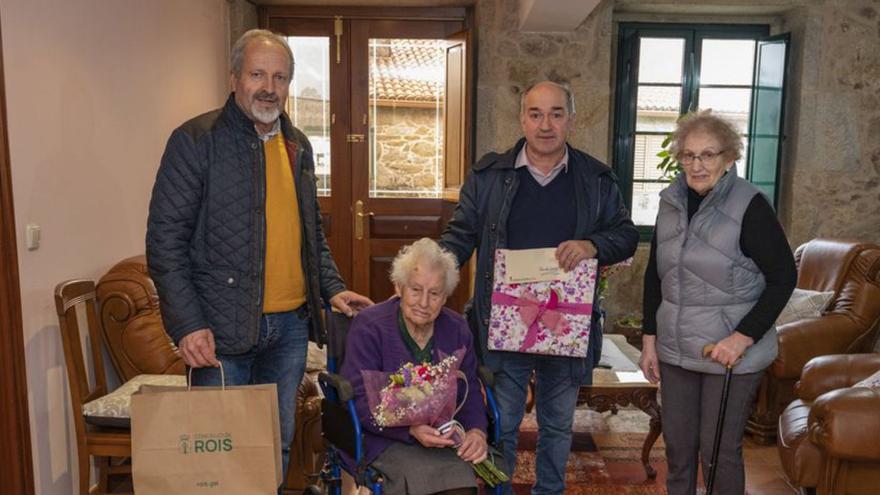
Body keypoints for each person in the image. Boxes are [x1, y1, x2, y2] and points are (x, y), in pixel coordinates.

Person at [145, 29, 372, 487]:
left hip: (288, 330)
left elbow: (311, 237)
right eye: (257, 74)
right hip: (219, 332)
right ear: (234, 78)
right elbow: (164, 241)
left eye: (280, 76)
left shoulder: (298, 147)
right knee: (216, 455)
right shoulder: (195, 141)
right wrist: (187, 324)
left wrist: (332, 287)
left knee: (273, 446)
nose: (269, 86)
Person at [440, 80, 639, 494]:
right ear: (522, 119)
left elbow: (625, 235)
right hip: (502, 326)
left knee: (556, 427)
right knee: (503, 424)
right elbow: (459, 237)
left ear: (570, 118)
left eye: (555, 113)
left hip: (566, 327)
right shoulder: (488, 175)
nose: (545, 124)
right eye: (536, 114)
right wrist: (430, 275)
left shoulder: (598, 179)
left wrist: (592, 245)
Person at [639, 110, 797, 495]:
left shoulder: (750, 206)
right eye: (689, 155)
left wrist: (742, 338)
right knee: (677, 449)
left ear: (729, 157)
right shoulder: (671, 201)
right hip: (677, 349)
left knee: (717, 452)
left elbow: (783, 277)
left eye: (708, 155)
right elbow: (655, 274)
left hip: (729, 353)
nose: (697, 165)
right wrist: (649, 340)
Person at [340, 238, 488, 495]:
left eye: (434, 294)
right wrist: (410, 430)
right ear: (399, 287)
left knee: (461, 486)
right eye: (415, 290)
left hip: (443, 440)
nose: (423, 302)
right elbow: (360, 399)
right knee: (420, 483)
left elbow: (471, 388)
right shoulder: (370, 326)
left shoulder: (457, 329)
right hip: (385, 439)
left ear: (445, 297)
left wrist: (477, 432)